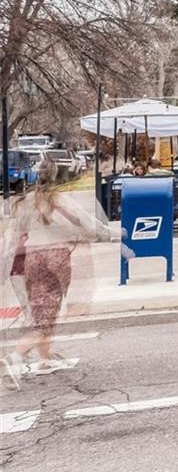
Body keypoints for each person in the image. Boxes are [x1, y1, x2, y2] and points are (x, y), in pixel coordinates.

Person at [1, 163, 114, 387]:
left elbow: (13, 236)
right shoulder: (59, 201)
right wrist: (110, 233)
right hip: (57, 257)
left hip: (32, 257)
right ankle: (14, 357)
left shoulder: (25, 202)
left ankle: (45, 358)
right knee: (47, 314)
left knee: (42, 309)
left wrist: (6, 263)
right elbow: (85, 223)